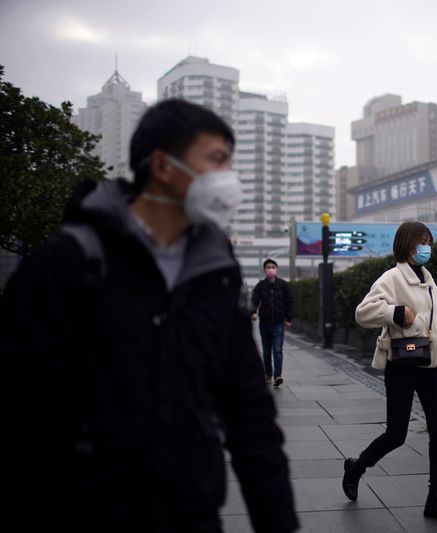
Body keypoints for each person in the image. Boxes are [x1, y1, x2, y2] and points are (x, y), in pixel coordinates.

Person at [0, 99, 299, 533]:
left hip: (191, 511)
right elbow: (20, 412)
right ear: (162, 165)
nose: (227, 180)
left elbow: (248, 409)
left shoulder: (216, 268)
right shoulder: (69, 262)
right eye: (216, 161)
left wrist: (278, 522)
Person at [342, 221, 437, 525]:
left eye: (429, 242)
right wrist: (395, 312)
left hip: (430, 365)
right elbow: (363, 312)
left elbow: (435, 318)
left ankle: (435, 498)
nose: (427, 247)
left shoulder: (428, 278)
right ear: (407, 244)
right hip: (403, 365)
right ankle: (356, 468)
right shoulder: (392, 277)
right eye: (422, 241)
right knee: (397, 434)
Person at [251, 258, 293, 387]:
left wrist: (289, 318)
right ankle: (268, 374)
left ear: (276, 269)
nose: (271, 269)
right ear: (265, 270)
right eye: (268, 267)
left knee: (277, 350)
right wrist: (253, 312)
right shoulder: (260, 286)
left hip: (279, 324)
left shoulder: (283, 285)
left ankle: (277, 376)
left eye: (273, 267)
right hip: (265, 323)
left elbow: (289, 302)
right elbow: (254, 300)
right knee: (266, 351)